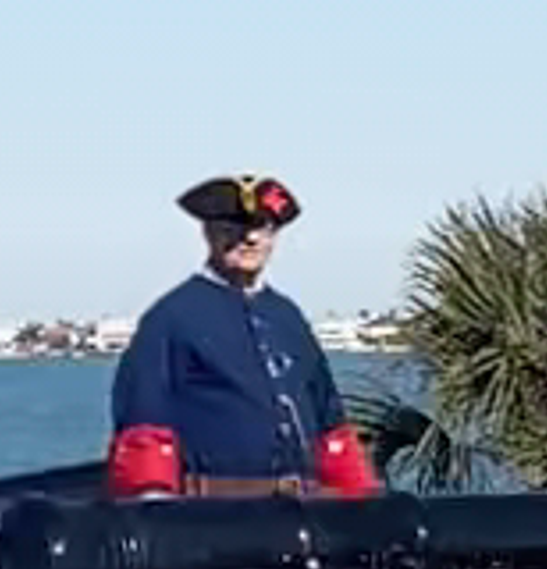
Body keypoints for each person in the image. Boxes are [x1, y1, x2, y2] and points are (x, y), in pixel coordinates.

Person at [106, 176, 381, 500]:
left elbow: (330, 422)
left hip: (303, 516)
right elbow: (144, 424)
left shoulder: (287, 317)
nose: (249, 238)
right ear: (209, 232)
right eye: (234, 227)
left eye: (262, 227)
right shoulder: (171, 318)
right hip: (216, 520)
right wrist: (155, 508)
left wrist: (359, 502)